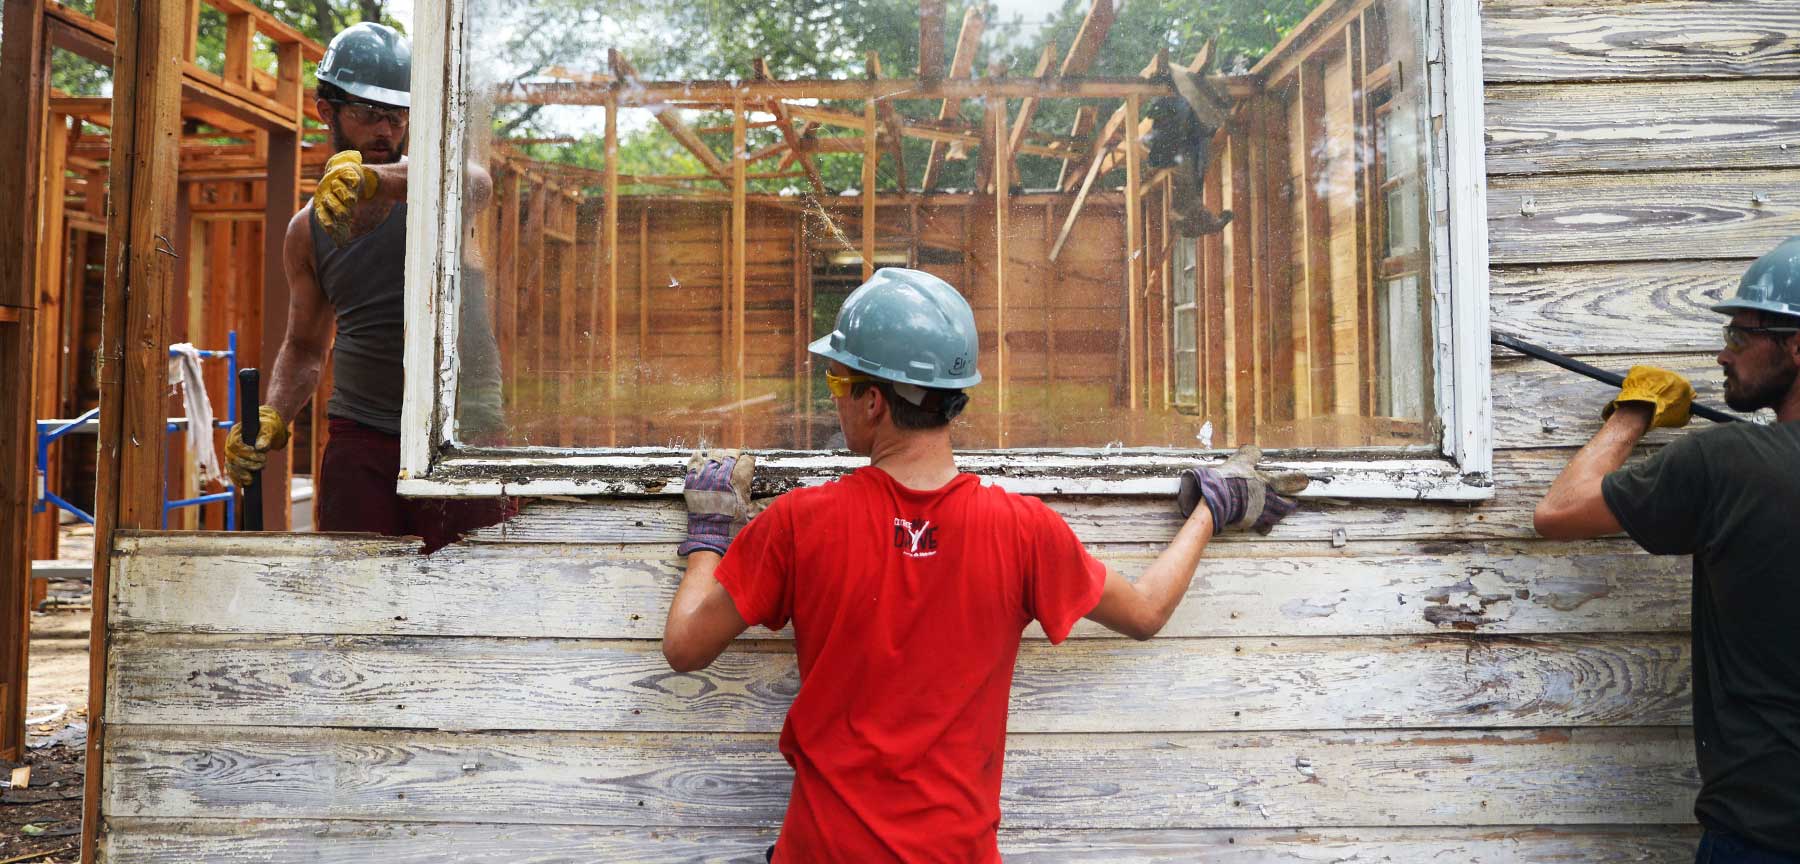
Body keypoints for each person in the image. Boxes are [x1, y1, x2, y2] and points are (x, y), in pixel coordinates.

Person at [660, 268, 1309, 862]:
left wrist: (713, 529)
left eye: (838, 382)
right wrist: (1212, 508)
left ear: (874, 404)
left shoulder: (801, 524)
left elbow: (685, 646)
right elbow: (1145, 611)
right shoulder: (1020, 530)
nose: (833, 399)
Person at [1535, 236, 1800, 862]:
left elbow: (1558, 513)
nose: (1722, 354)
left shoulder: (1730, 462)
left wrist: (1633, 412)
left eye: (1740, 336)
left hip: (1766, 830)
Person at [223, 21, 508, 551]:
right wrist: (273, 415)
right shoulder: (306, 231)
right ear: (325, 111)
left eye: (398, 116)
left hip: (464, 433)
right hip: (362, 436)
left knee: (475, 600)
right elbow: (306, 346)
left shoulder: (440, 190)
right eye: (368, 114)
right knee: (352, 598)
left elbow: (474, 182)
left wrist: (374, 180)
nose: (387, 131)